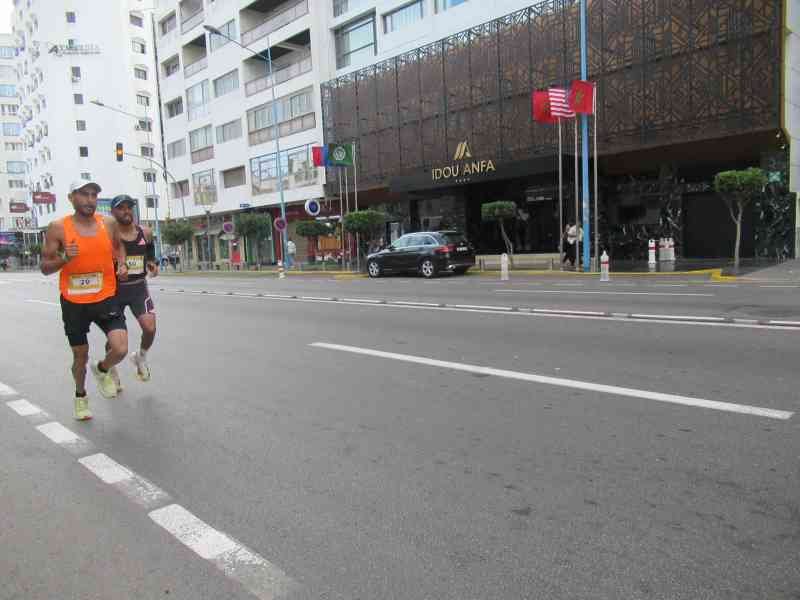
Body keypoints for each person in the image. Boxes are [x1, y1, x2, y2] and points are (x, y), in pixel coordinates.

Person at [40, 181, 129, 420]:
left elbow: (119, 248)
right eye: (84, 195)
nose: (90, 200)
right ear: (71, 198)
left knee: (120, 348)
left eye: (94, 195)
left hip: (105, 296)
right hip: (74, 302)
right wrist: (64, 259)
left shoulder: (108, 223)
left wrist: (121, 264)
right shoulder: (58, 228)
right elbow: (45, 267)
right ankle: (80, 397)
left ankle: (102, 370)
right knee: (80, 356)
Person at [110, 195, 157, 386]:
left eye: (129, 207)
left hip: (138, 289)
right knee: (115, 339)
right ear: (113, 212)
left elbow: (150, 251)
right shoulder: (108, 236)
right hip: (114, 292)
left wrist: (152, 263)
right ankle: (110, 368)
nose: (126, 211)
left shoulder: (145, 232)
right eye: (121, 208)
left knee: (150, 328)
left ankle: (140, 357)